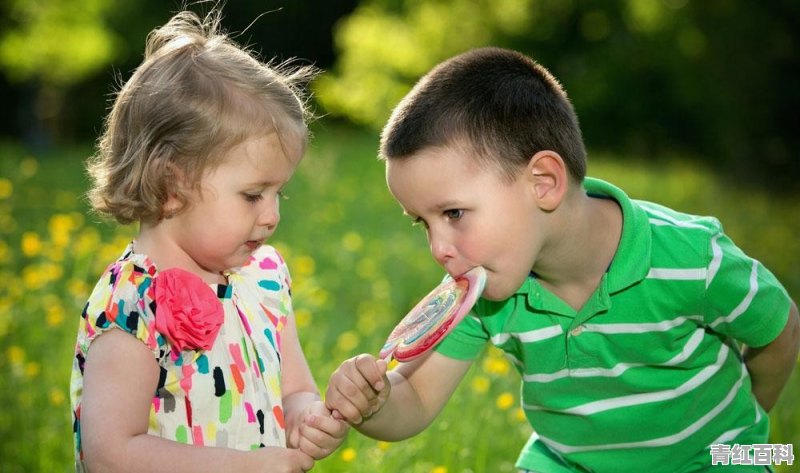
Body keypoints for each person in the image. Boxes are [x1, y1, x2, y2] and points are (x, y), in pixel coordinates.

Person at [324, 47, 800, 473]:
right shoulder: (485, 295)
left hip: (709, 458)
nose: (438, 247)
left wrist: (747, 423)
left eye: (453, 213)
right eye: (422, 223)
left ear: (543, 182)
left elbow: (780, 330)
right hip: (570, 460)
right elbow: (417, 401)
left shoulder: (691, 257)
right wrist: (375, 404)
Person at [70, 9, 347, 473]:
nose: (273, 215)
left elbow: (295, 389)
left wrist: (307, 418)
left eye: (279, 193)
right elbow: (110, 453)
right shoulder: (134, 303)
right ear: (173, 187)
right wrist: (247, 467)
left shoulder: (263, 279)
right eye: (253, 195)